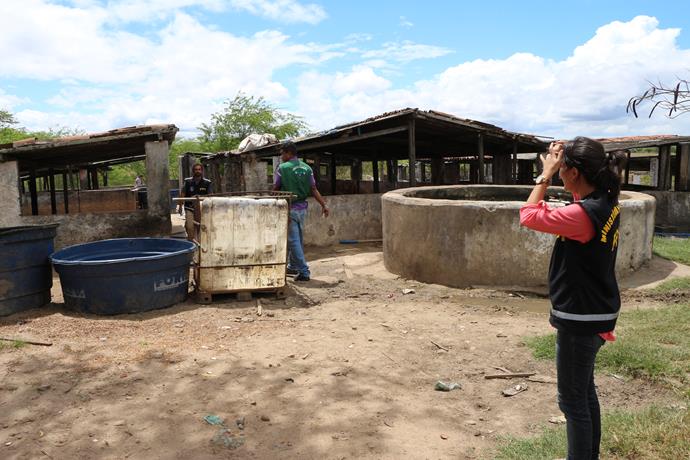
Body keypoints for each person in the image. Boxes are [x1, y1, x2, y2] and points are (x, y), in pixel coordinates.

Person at [519, 137, 626, 460]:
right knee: (584, 392)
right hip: (598, 311)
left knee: (572, 401)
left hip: (580, 318)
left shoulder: (581, 215)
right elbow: (578, 197)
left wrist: (545, 176)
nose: (557, 170)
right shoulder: (605, 202)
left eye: (562, 167)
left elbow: (527, 215)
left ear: (575, 172)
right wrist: (562, 164)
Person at [273, 141, 329, 281]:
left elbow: (276, 188)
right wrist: (324, 205)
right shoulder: (307, 168)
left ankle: (304, 272)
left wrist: (272, 202)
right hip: (302, 209)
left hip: (289, 208)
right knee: (297, 239)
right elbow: (313, 189)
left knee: (293, 240)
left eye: (282, 153)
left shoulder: (282, 168)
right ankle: (292, 266)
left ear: (288, 153)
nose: (281, 156)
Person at [178, 163, 212, 241]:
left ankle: (201, 242)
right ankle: (191, 242)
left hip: (202, 208)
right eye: (196, 169)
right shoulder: (187, 181)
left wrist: (200, 198)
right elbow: (182, 194)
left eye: (199, 169)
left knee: (202, 226)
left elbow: (210, 196)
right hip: (189, 207)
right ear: (193, 171)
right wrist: (180, 206)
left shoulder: (207, 183)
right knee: (190, 227)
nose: (197, 171)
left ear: (202, 171)